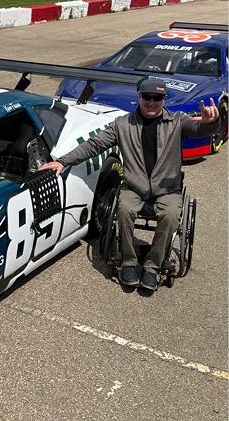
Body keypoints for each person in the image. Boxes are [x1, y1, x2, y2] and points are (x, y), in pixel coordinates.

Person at [39, 77, 220, 291]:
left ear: (164, 99)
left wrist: (211, 123)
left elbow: (202, 131)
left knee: (171, 216)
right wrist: (62, 161)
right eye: (147, 97)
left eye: (157, 98)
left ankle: (152, 267)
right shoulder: (122, 125)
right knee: (123, 211)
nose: (151, 102)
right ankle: (129, 263)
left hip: (167, 190)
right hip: (134, 188)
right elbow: (94, 145)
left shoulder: (178, 121)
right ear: (139, 97)